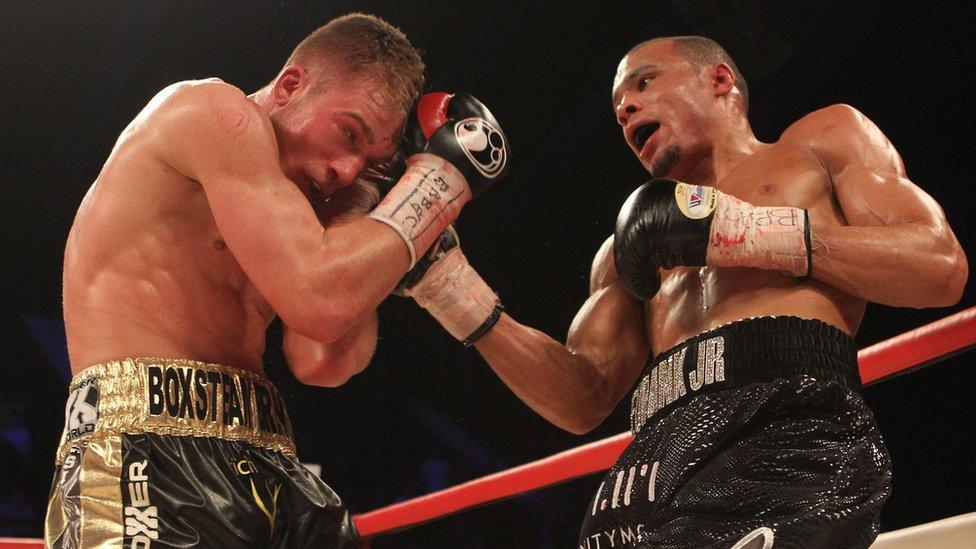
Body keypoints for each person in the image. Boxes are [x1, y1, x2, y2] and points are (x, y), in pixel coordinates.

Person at [400, 36, 967, 548]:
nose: (626, 110)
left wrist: (747, 233)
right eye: (619, 106)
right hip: (651, 470)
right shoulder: (625, 249)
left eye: (644, 83)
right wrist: (449, 285)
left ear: (719, 81)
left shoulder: (819, 144)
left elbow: (939, 267)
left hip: (781, 436)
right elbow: (582, 397)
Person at [47, 12, 509, 548]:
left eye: (372, 161)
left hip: (270, 457)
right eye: (349, 133)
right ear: (292, 85)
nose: (346, 168)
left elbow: (325, 359)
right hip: (144, 445)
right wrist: (438, 182)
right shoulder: (211, 114)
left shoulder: (307, 212)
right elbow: (321, 301)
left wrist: (367, 199)